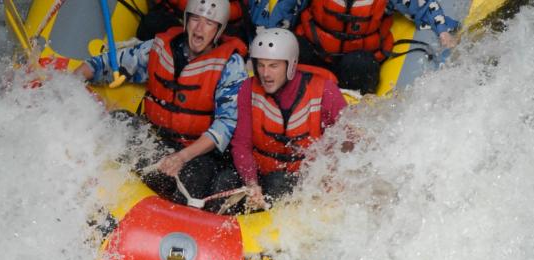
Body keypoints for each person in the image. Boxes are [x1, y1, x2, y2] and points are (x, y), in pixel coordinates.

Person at [76, 0, 248, 207]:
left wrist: (182, 157)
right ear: (186, 21)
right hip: (158, 143)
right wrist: (71, 81)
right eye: (195, 19)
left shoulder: (231, 65)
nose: (199, 28)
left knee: (197, 175)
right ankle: (93, 191)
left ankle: (173, 221)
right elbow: (109, 63)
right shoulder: (159, 47)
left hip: (196, 154)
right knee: (119, 122)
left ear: (219, 30)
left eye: (209, 23)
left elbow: (226, 125)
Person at [224, 28, 348, 210]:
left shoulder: (325, 91)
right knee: (224, 181)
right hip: (260, 173)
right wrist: (251, 183)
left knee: (277, 183)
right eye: (261, 65)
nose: (265, 74)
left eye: (273, 66)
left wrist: (331, 177)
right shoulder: (248, 89)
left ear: (290, 65)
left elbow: (348, 139)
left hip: (303, 181)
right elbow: (242, 144)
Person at [294, 0, 461, 94]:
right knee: (292, 45)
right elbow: (285, 11)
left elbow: (424, 7)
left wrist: (443, 33)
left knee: (360, 63)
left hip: (356, 63)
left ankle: (353, 103)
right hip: (316, 51)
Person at [136, 0, 247, 41]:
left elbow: (240, 7)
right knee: (153, 23)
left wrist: (216, 11)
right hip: (177, 18)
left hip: (218, 24)